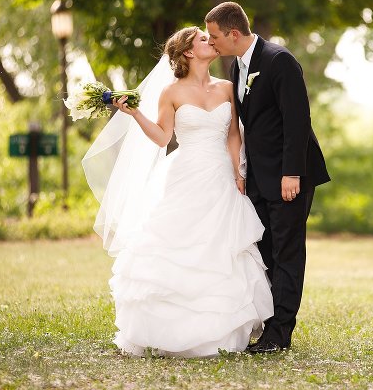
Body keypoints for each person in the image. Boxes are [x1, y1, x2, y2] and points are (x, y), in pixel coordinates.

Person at [84, 26, 273, 358]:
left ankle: (222, 333)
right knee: (180, 245)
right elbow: (161, 137)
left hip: (221, 177)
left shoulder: (228, 87)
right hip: (186, 174)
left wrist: (238, 170)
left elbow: (232, 134)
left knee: (222, 248)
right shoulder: (171, 92)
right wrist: (135, 113)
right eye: (203, 39)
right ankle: (166, 331)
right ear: (188, 51)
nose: (211, 42)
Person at [205, 2, 330, 354]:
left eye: (214, 37)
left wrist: (292, 173)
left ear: (233, 34)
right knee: (267, 253)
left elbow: (297, 120)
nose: (211, 43)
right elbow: (250, 125)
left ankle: (280, 333)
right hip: (259, 177)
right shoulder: (237, 67)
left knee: (288, 253)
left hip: (289, 177)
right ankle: (267, 322)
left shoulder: (279, 61)